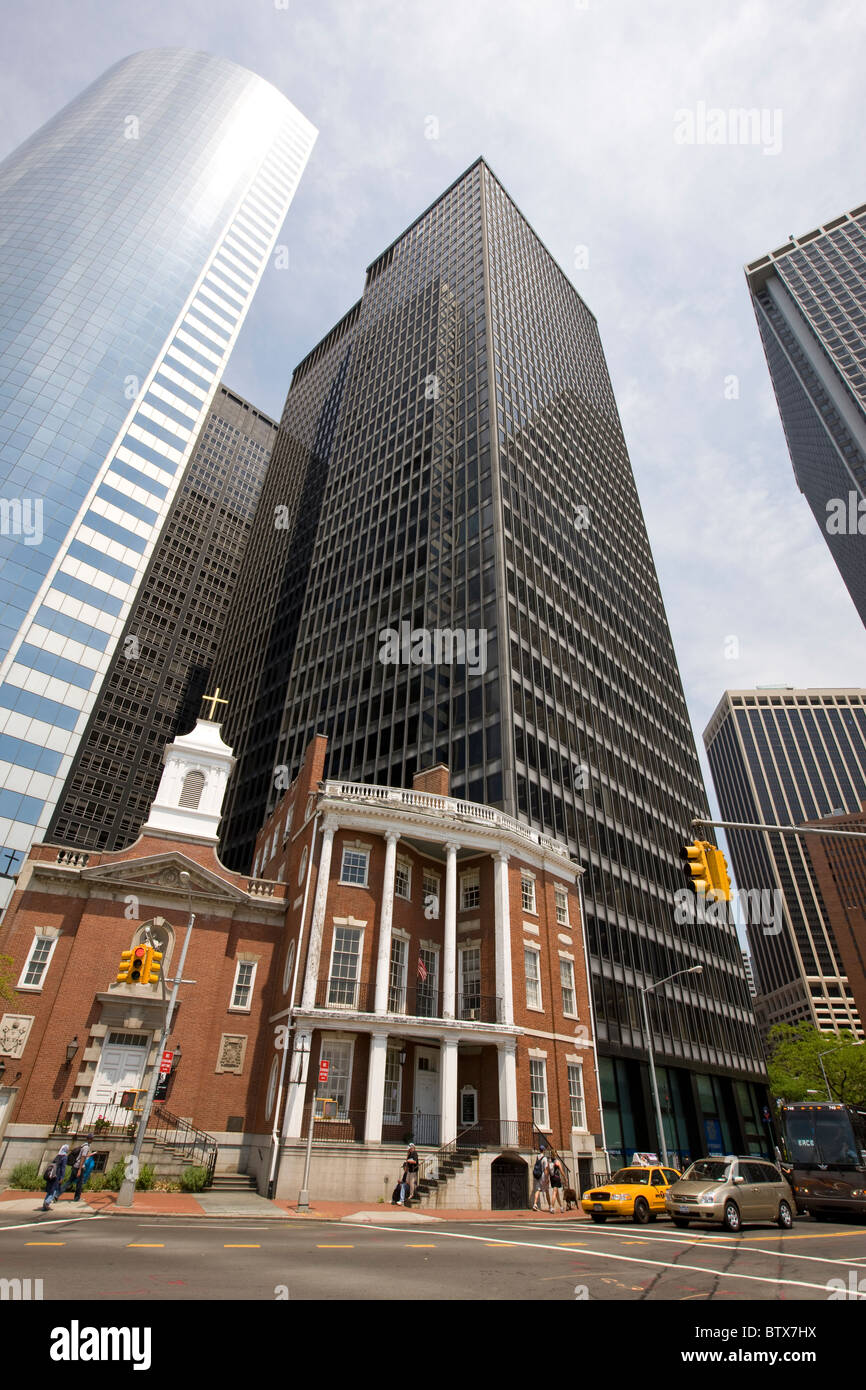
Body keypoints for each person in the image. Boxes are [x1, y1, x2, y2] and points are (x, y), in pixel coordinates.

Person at [64, 1136, 95, 1201]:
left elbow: (83, 1156)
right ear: (89, 1139)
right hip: (79, 1167)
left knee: (70, 1181)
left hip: (75, 1165)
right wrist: (80, 1169)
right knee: (79, 1183)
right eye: (92, 1138)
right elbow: (83, 1158)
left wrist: (91, 1154)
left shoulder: (82, 1146)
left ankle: (57, 1194)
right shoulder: (86, 1147)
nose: (92, 1140)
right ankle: (77, 1198)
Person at [41, 1144, 70, 1211]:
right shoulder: (64, 1157)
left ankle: (45, 1203)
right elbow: (63, 1168)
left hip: (52, 1175)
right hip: (57, 1175)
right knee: (54, 1190)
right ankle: (47, 1202)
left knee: (50, 1190)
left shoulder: (57, 1156)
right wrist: (62, 1177)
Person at [531, 1146, 551, 1212]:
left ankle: (535, 1204)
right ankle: (550, 1206)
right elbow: (545, 1169)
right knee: (547, 1191)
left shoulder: (537, 1157)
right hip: (542, 1176)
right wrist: (547, 1178)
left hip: (537, 1175)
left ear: (539, 1150)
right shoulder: (544, 1158)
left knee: (538, 1190)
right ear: (544, 1150)